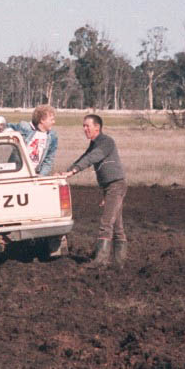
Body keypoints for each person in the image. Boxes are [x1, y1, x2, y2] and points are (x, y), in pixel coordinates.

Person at [59, 114, 127, 268]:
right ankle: (118, 263)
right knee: (117, 226)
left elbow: (92, 158)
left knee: (106, 223)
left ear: (97, 127)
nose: (84, 129)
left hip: (116, 186)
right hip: (110, 187)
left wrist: (73, 171)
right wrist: (68, 171)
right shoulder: (94, 143)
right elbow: (85, 156)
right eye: (83, 126)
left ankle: (101, 260)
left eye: (87, 126)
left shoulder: (106, 142)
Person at [5, 104, 58, 176]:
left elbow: (48, 160)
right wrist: (11, 135)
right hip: (16, 172)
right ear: (42, 120)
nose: (54, 122)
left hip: (34, 174)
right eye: (51, 119)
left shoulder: (52, 136)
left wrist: (41, 176)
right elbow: (5, 127)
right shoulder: (25, 126)